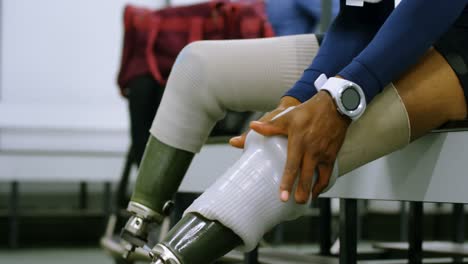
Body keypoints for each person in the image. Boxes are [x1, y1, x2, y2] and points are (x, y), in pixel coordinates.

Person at [124, 0, 468, 262]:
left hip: (459, 47)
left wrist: (339, 99)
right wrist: (296, 99)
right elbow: (362, 16)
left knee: (287, 146)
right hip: (411, 32)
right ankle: (136, 229)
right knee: (195, 68)